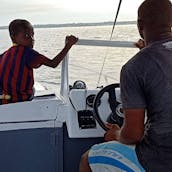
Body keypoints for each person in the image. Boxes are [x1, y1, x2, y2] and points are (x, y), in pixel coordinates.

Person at [79, 0, 172, 171]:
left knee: (87, 158)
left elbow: (134, 134)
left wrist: (116, 134)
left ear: (139, 24)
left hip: (159, 161)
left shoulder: (134, 67)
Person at [0, 19, 78, 104]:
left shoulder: (3, 55)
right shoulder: (28, 53)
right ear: (13, 37)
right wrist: (68, 45)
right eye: (26, 36)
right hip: (21, 99)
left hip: (4, 100)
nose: (31, 39)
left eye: (32, 35)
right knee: (33, 89)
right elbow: (53, 63)